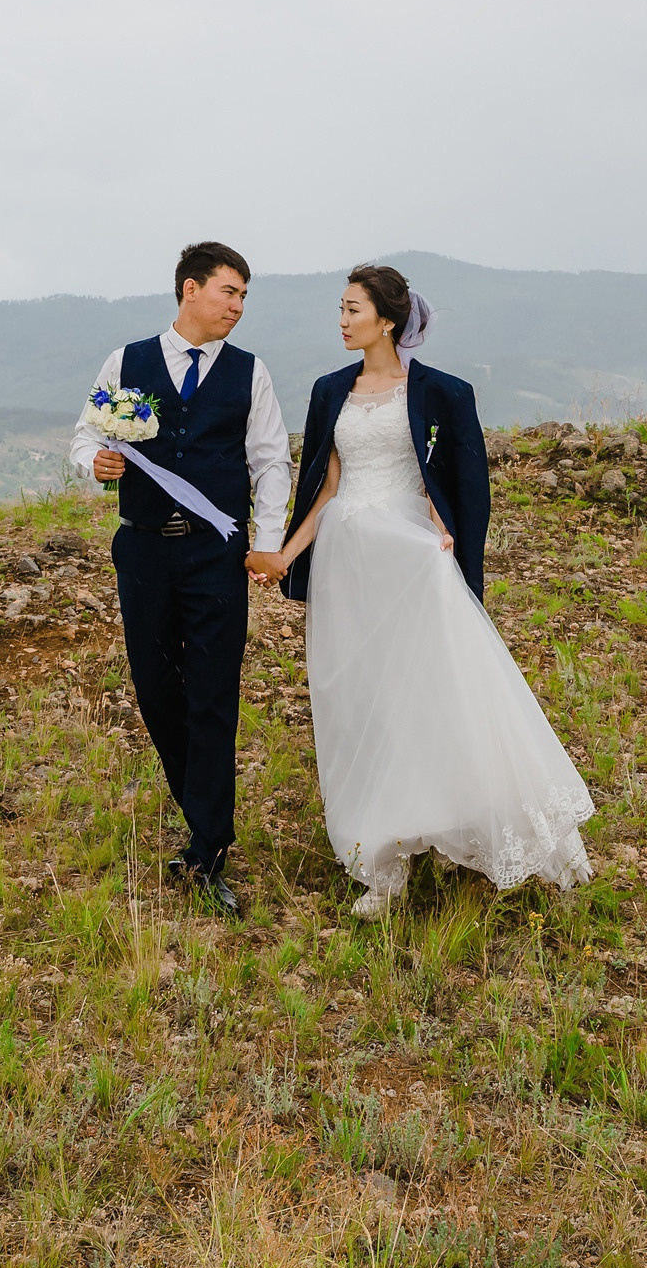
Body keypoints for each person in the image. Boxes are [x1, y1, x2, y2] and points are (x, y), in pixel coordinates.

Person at [249, 263, 594, 918]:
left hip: (410, 558)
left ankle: (454, 820)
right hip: (346, 563)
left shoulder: (442, 393)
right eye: (341, 307)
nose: (341, 318)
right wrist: (281, 557)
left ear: (386, 320)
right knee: (359, 699)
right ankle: (381, 858)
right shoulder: (329, 391)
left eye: (352, 308)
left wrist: (450, 537)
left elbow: (460, 485)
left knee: (430, 693)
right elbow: (325, 488)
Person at [71, 241, 291, 915]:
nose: (238, 306)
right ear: (189, 289)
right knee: (156, 688)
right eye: (229, 291)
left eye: (244, 296)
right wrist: (94, 465)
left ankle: (209, 844)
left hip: (215, 555)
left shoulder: (250, 373)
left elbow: (272, 460)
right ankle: (200, 815)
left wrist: (267, 540)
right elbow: (84, 435)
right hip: (142, 552)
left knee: (214, 695)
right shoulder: (127, 361)